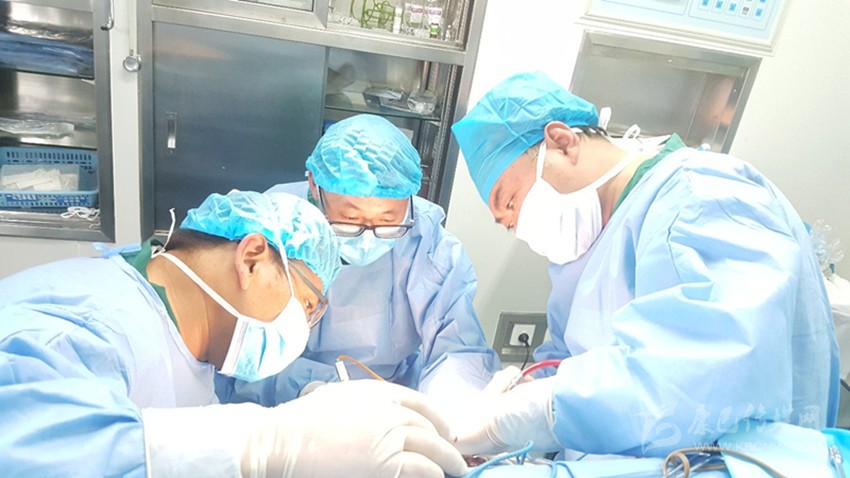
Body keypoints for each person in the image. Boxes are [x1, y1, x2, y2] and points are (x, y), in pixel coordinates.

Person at [449, 71, 840, 457]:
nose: (519, 227)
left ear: (563, 143)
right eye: (508, 225)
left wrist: (537, 410)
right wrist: (521, 399)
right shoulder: (583, 260)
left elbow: (700, 380)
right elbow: (567, 360)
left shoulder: (702, 198)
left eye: (512, 202)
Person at [0, 190, 467, 477]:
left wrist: (318, 392)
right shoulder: (85, 323)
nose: (303, 330)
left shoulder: (192, 340)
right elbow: (28, 448)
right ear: (252, 258)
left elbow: (213, 400)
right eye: (306, 305)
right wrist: (266, 446)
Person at [215, 114, 501, 411]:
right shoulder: (271, 226)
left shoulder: (426, 241)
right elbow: (233, 346)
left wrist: (455, 411)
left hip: (387, 402)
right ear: (314, 186)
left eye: (387, 222)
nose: (368, 238)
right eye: (350, 220)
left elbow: (456, 349)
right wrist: (311, 388)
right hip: (276, 403)